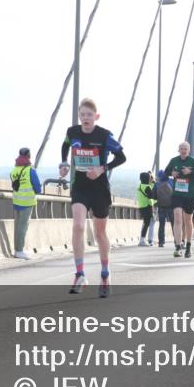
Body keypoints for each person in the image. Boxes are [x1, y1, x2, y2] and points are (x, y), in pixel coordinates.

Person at [62, 98, 126, 298]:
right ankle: (79, 274)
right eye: (82, 115)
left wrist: (101, 169)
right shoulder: (72, 132)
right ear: (79, 116)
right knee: (78, 226)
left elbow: (122, 157)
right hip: (80, 187)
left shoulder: (105, 135)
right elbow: (65, 145)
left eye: (89, 115)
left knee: (99, 233)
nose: (85, 118)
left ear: (96, 116)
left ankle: (105, 274)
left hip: (100, 189)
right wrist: (64, 163)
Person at [164, 142, 194, 259]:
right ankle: (178, 246)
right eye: (181, 148)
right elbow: (166, 172)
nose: (183, 150)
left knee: (188, 220)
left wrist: (190, 172)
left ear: (188, 150)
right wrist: (171, 173)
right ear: (179, 150)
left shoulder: (193, 162)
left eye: (185, 149)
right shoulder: (174, 160)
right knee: (177, 218)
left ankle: (189, 246)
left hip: (189, 195)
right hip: (177, 194)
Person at [10, 147, 42, 260]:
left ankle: (16, 250)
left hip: (16, 202)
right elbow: (38, 188)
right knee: (23, 227)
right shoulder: (30, 170)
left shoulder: (14, 170)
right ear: (29, 156)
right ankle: (19, 251)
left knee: (17, 226)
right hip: (27, 202)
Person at [154, 170, 174, 248]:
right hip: (171, 206)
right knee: (174, 224)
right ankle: (177, 241)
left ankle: (161, 242)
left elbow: (153, 195)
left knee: (162, 225)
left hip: (161, 206)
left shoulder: (157, 184)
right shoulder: (172, 181)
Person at [137, 171, 156, 246]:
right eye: (149, 178)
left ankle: (142, 240)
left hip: (141, 207)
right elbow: (151, 198)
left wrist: (152, 182)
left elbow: (149, 188)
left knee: (146, 223)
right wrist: (156, 201)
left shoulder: (140, 186)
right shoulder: (147, 187)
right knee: (146, 224)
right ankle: (142, 240)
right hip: (147, 207)